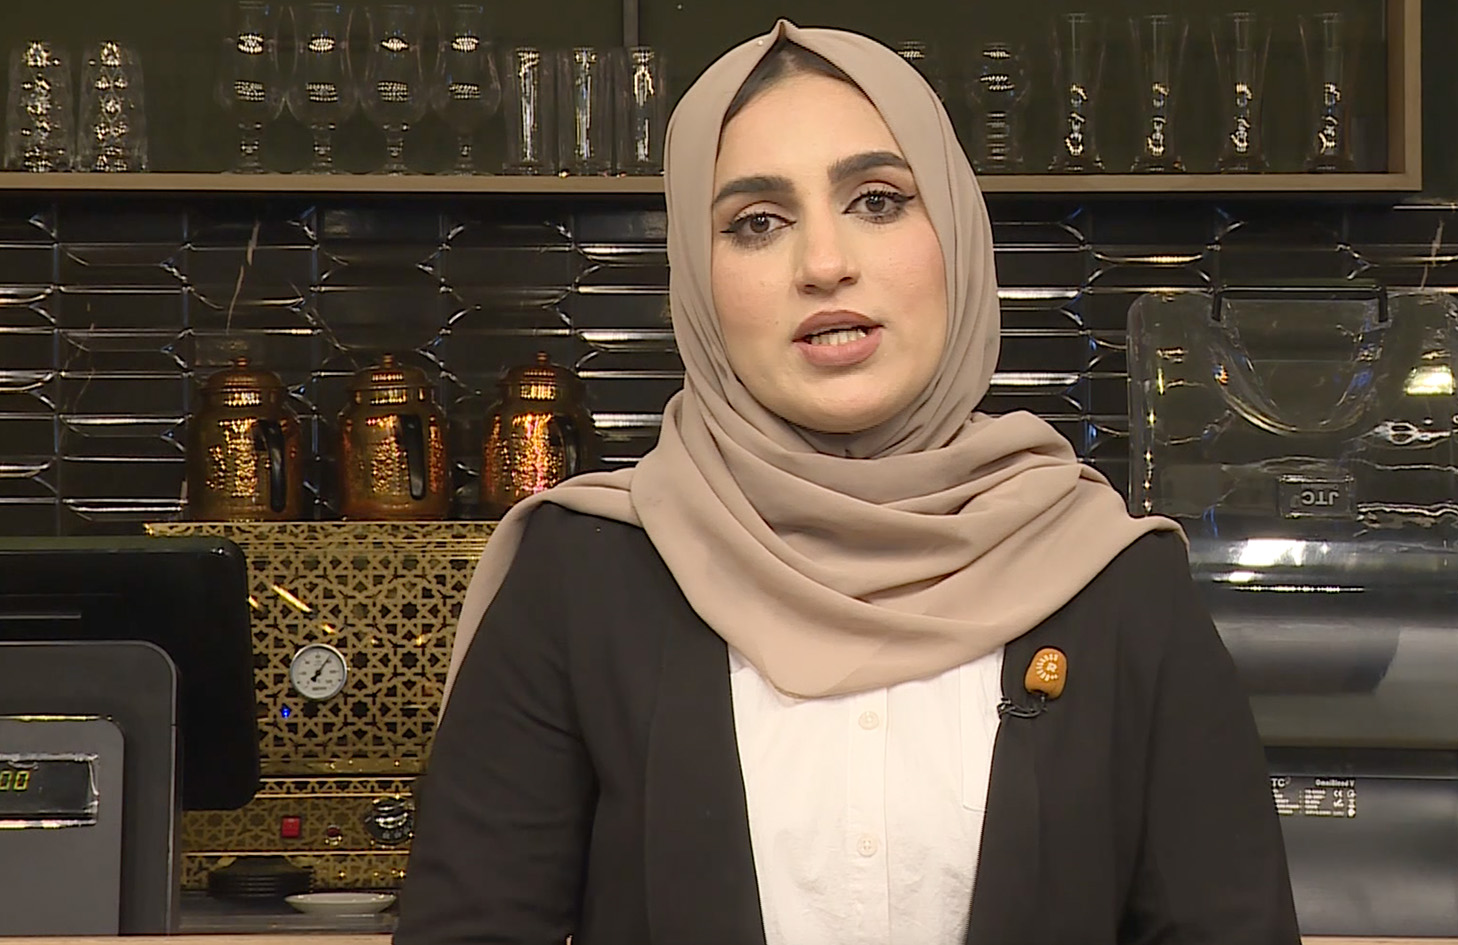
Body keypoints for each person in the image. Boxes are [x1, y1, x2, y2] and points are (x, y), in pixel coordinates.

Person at [396, 19, 1300, 945]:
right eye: (758, 222)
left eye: (877, 200)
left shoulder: (1114, 578)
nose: (825, 264)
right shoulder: (582, 574)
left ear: (955, 232)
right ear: (698, 281)